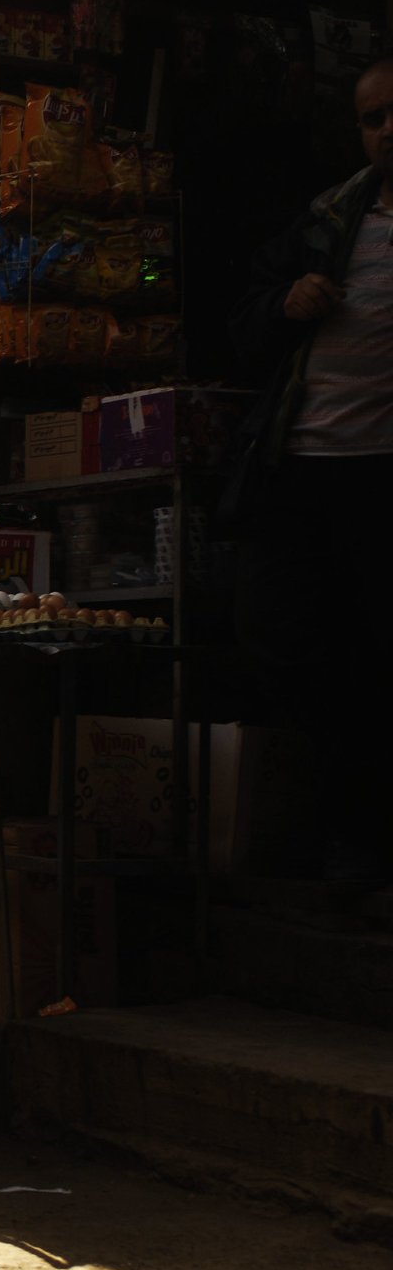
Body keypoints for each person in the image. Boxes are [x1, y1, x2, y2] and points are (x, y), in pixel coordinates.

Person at [228, 55, 393, 881]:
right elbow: (247, 319)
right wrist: (285, 303)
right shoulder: (332, 216)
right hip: (302, 469)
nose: (387, 128)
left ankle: (362, 846)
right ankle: (347, 837)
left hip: (381, 476)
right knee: (286, 646)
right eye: (373, 117)